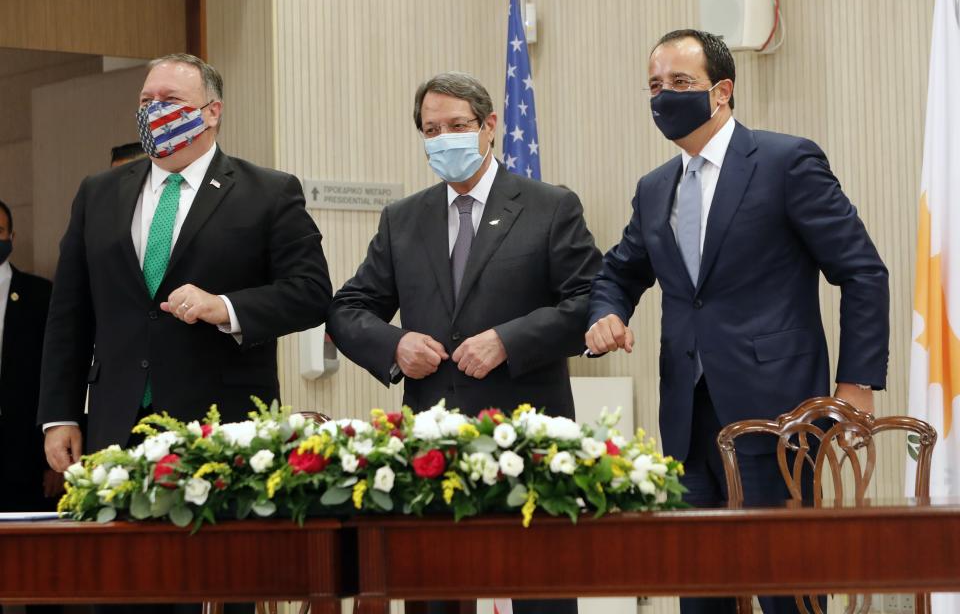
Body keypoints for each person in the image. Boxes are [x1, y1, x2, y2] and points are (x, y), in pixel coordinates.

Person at [584, 30, 889, 614]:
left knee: (786, 584)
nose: (663, 97)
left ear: (721, 92)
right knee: (702, 586)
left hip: (779, 413)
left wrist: (856, 384)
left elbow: (863, 272)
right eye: (654, 86)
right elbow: (618, 273)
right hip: (685, 419)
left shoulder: (785, 161)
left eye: (680, 83)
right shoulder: (654, 189)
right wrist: (607, 314)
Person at [328, 71, 602, 614]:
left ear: (490, 126)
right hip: (434, 447)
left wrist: (508, 339)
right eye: (431, 130)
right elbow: (347, 308)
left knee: (538, 595)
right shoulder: (402, 219)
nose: (443, 138)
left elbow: (589, 302)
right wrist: (395, 344)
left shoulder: (550, 206)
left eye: (457, 125)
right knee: (436, 596)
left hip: (530, 441)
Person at [38, 53, 332, 473]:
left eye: (170, 99)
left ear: (211, 112)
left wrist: (225, 307)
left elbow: (312, 293)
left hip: (222, 421)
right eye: (146, 101)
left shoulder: (268, 192)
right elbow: (68, 312)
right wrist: (60, 414)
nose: (154, 110)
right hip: (116, 422)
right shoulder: (98, 193)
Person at [0, 200, 60, 513]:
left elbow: (58, 376)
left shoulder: (40, 295)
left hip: (24, 458)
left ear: (12, 236)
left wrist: (55, 463)